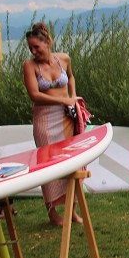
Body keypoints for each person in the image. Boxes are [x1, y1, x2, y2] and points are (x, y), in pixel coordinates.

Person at [22, 22, 83, 227]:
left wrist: (72, 96)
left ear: (47, 42)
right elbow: (34, 94)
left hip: (66, 116)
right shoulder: (29, 66)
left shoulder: (63, 58)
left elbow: (71, 77)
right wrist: (63, 100)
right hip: (45, 119)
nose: (33, 51)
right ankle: (52, 212)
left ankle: (72, 210)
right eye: (30, 48)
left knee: (71, 162)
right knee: (48, 165)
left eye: (36, 47)